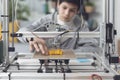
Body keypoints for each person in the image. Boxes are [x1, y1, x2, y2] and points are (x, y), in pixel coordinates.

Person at [18, 0, 98, 55]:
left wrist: (67, 54)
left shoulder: (81, 25)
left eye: (72, 10)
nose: (67, 13)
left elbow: (92, 48)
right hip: (43, 62)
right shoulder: (46, 20)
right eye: (64, 8)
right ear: (58, 5)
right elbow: (21, 32)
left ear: (77, 11)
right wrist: (31, 38)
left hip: (69, 64)